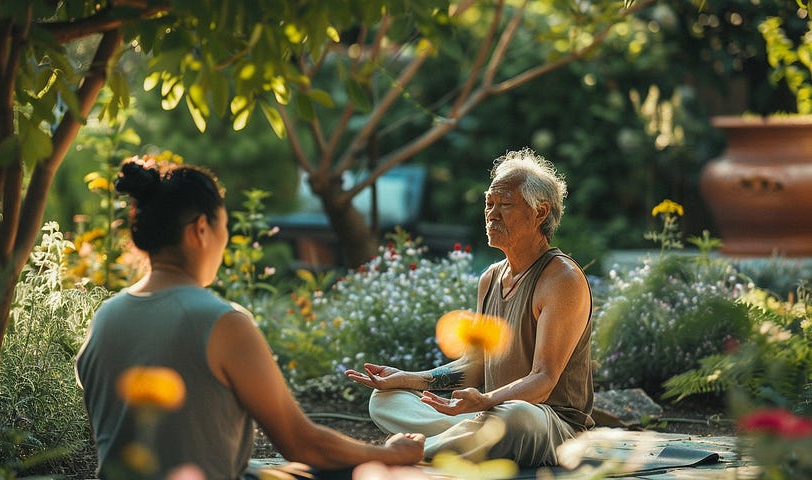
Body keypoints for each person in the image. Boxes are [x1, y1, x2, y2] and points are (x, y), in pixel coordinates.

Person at [75, 156, 424, 480]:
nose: (224, 239)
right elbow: (302, 443)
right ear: (200, 229)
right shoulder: (221, 322)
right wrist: (389, 454)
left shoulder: (105, 318)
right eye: (223, 226)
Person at [345, 148, 594, 468]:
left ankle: (416, 449)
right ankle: (462, 439)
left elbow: (544, 381)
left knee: (515, 415)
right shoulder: (490, 278)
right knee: (384, 400)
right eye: (489, 203)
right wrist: (407, 378)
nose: (492, 215)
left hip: (549, 426)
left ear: (540, 212)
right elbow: (474, 366)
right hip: (487, 415)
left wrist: (489, 400)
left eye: (504, 205)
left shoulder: (562, 278)